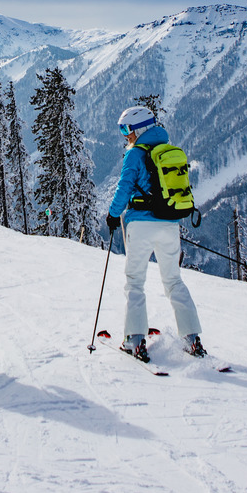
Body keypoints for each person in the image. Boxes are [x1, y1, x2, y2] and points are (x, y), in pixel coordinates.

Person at [106, 104, 204, 361]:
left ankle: (135, 341)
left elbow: (124, 187)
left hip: (140, 225)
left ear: (139, 129)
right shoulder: (167, 150)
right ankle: (192, 339)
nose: (125, 135)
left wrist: (113, 214)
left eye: (127, 129)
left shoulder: (135, 154)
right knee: (173, 280)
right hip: (170, 224)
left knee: (135, 282)